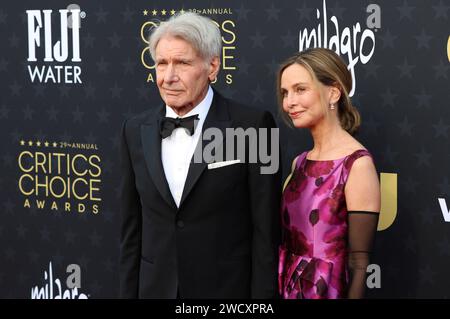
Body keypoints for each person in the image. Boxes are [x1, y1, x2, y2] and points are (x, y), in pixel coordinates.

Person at [119, 12, 281, 299]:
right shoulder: (135, 130)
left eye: (182, 63)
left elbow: (266, 233)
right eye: (161, 64)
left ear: (212, 66)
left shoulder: (252, 126)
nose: (169, 77)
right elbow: (131, 233)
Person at [277, 48, 380, 299]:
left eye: (300, 89)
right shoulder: (299, 162)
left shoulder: (356, 165)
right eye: (285, 92)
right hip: (288, 287)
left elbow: (359, 263)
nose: (289, 102)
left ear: (333, 92)